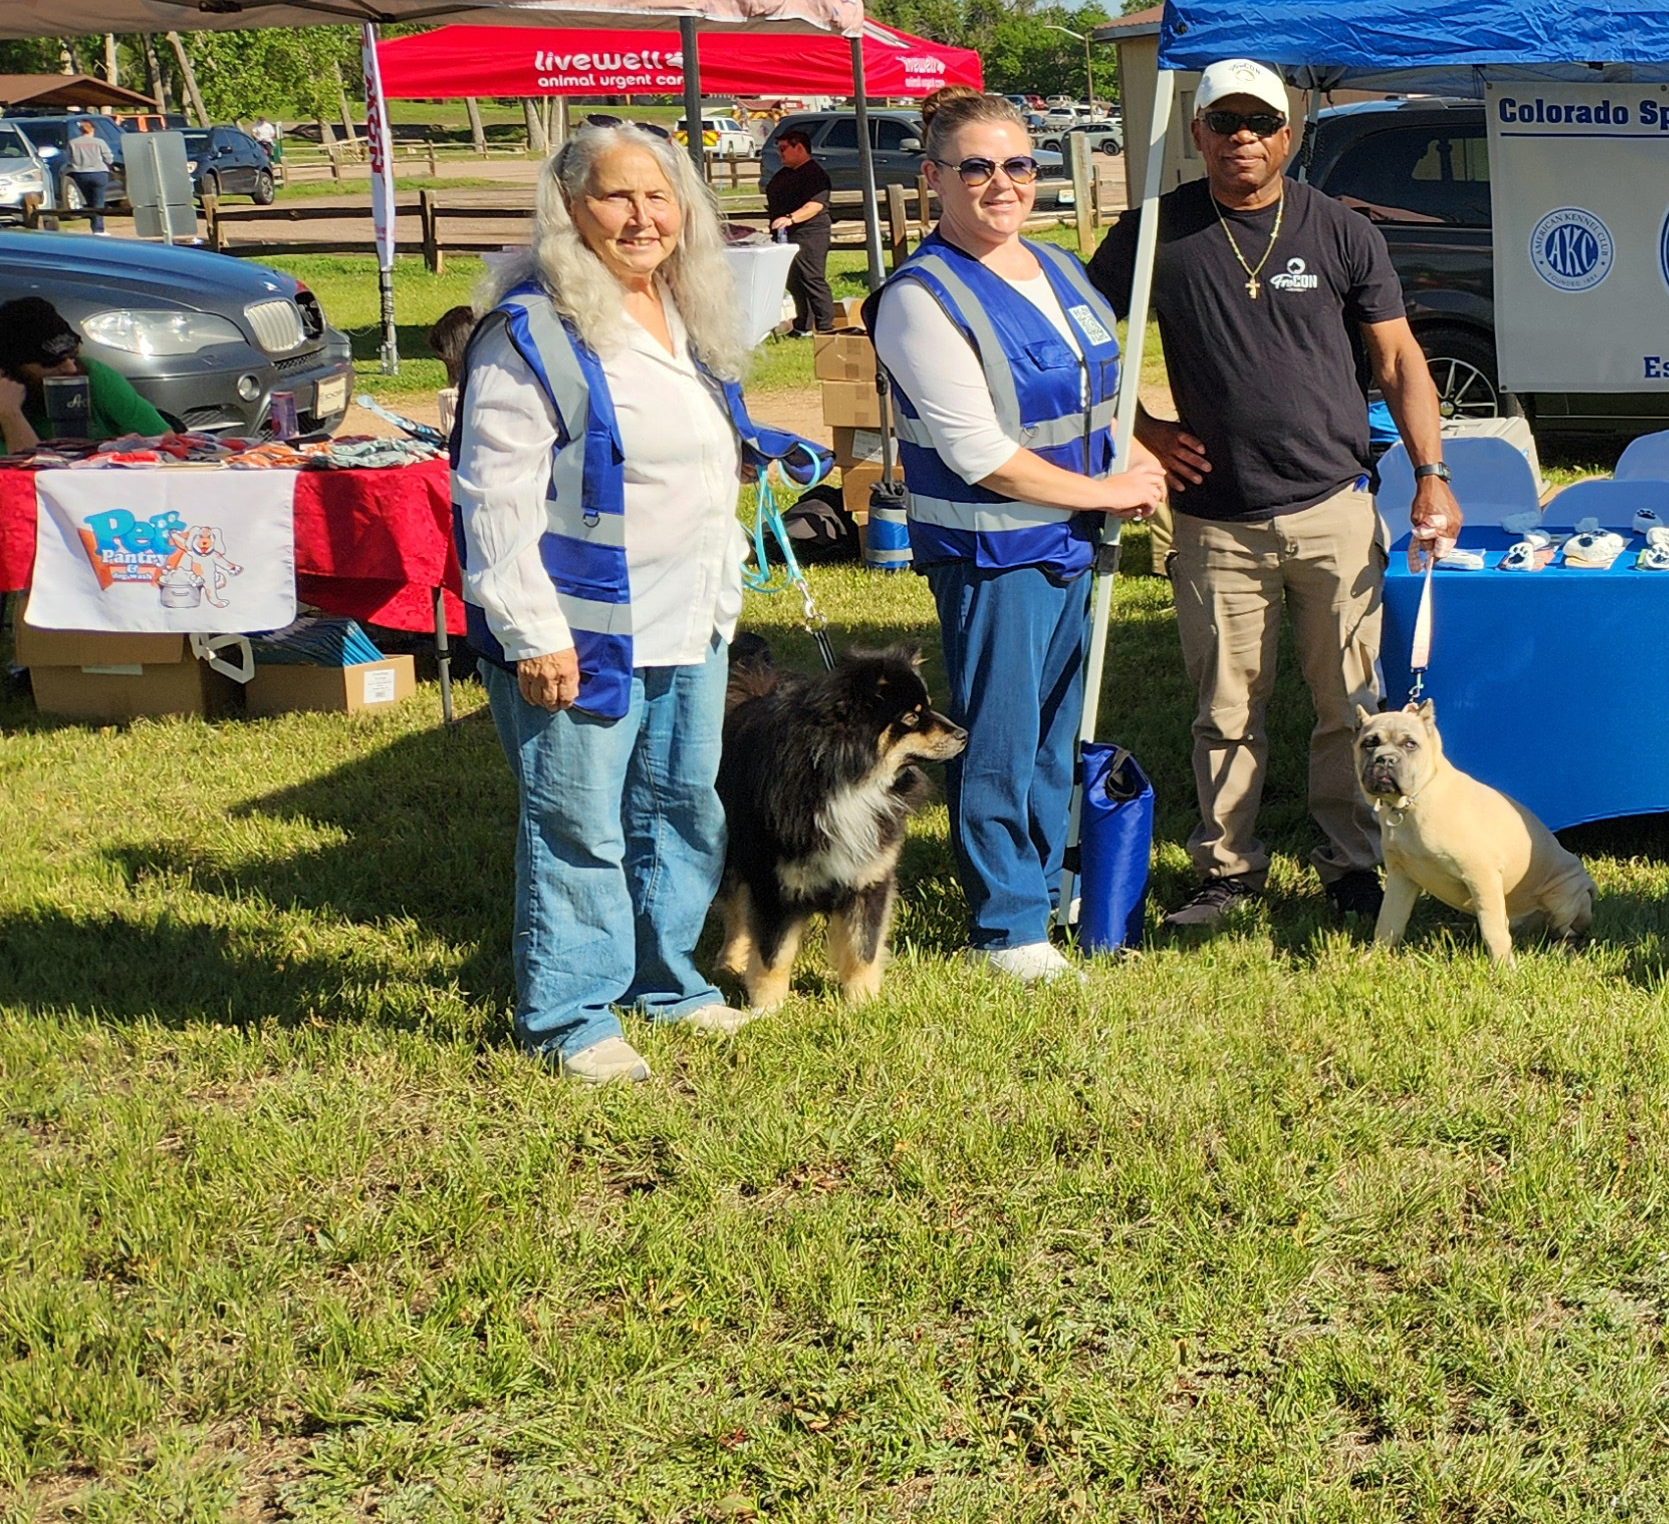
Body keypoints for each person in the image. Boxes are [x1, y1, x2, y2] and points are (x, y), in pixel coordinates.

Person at [451, 122, 809, 1082]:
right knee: (579, 822)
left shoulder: (685, 316)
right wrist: (532, 632)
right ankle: (572, 1014)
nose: (642, 216)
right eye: (616, 195)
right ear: (569, 209)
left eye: (660, 195)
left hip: (690, 614)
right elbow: (493, 498)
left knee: (681, 807)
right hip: (580, 629)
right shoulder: (532, 332)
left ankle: (665, 979)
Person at [1094, 60, 1456, 932]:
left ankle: (1353, 862)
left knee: (1349, 705)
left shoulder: (1340, 230)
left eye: (1261, 121)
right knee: (1224, 707)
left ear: (1288, 133)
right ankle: (1226, 869)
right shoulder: (1153, 234)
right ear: (1198, 134)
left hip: (1332, 505)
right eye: (1225, 123)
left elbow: (1401, 360)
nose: (1243, 138)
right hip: (1216, 518)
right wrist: (1142, 429)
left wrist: (1432, 474)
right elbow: (1079, 341)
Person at [872, 90, 1170, 981]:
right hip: (995, 552)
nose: (1002, 184)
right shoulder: (920, 299)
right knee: (998, 739)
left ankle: (1044, 884)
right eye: (977, 167)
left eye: (1019, 166)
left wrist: (1135, 462)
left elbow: (1099, 393)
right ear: (933, 179)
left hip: (1076, 538)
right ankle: (1005, 925)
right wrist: (1104, 489)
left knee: (1054, 730)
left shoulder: (1061, 269)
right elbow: (978, 453)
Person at [1, 296, 174, 446]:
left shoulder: (93, 375)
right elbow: (25, 476)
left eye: (73, 356)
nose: (70, 368)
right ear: (9, 370)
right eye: (51, 362)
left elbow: (166, 440)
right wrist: (10, 415)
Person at [759, 131, 840, 335]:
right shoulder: (784, 174)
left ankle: (825, 327)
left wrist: (791, 218)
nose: (780, 154)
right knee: (793, 280)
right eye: (779, 149)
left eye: (784, 148)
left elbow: (815, 206)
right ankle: (803, 324)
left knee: (812, 278)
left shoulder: (815, 175)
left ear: (800, 148)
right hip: (785, 233)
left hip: (810, 233)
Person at [65, 121, 112, 233]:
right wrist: (108, 164)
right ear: (93, 130)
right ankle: (98, 229)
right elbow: (108, 157)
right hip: (99, 172)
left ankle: (95, 226)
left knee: (89, 201)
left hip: (81, 174)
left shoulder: (73, 143)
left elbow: (69, 159)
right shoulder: (99, 142)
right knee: (99, 201)